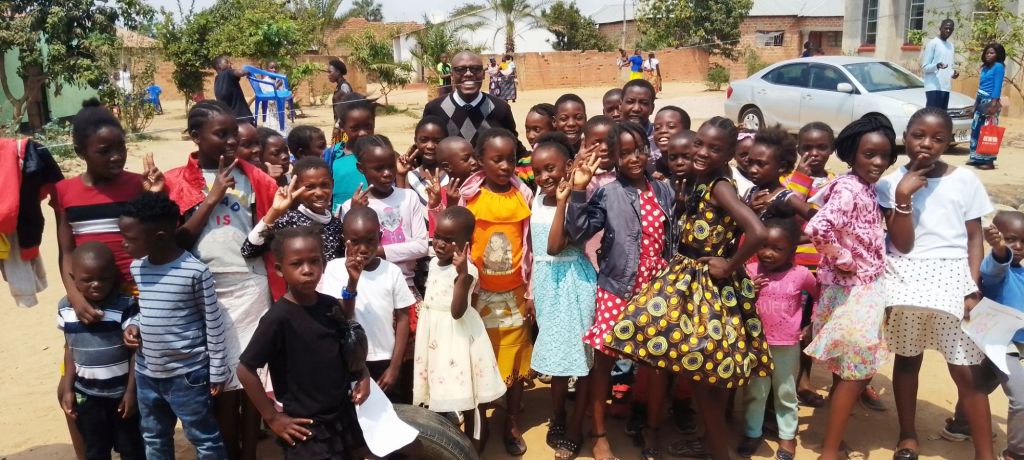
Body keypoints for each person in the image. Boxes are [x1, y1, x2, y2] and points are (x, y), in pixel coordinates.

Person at [602, 117, 771, 460]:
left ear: (729, 154)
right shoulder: (700, 181)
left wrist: (729, 264)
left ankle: (718, 453)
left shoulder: (720, 186)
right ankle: (708, 444)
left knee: (703, 376)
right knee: (699, 371)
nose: (702, 152)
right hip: (691, 279)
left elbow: (758, 232)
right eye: (699, 144)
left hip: (706, 285)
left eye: (714, 148)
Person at [877, 107, 996, 460]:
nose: (926, 144)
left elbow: (974, 238)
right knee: (907, 359)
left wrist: (973, 286)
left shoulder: (965, 180)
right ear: (905, 136)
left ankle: (985, 452)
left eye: (938, 138)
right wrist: (903, 196)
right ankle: (908, 435)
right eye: (918, 136)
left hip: (952, 278)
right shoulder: (890, 183)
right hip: (906, 277)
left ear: (949, 142)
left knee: (964, 368)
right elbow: (901, 244)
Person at [163, 100, 279, 458]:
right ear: (195, 136)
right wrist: (212, 198)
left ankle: (249, 452)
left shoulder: (254, 177)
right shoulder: (175, 182)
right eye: (221, 134)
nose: (232, 141)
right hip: (205, 290)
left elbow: (269, 225)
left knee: (251, 374)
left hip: (250, 284)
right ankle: (227, 449)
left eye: (234, 134)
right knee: (220, 382)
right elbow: (175, 242)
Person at [53, 102, 162, 459]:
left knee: (138, 377)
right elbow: (66, 250)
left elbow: (155, 234)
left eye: (121, 147)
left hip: (135, 295)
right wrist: (75, 296)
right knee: (75, 384)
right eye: (105, 151)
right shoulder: (64, 192)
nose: (116, 156)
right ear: (80, 152)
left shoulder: (137, 185)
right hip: (89, 297)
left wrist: (154, 197)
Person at [566, 122, 676, 460]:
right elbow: (578, 232)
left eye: (639, 150)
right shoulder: (608, 192)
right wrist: (577, 190)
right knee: (604, 362)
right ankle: (599, 435)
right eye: (625, 153)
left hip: (657, 291)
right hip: (617, 288)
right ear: (613, 157)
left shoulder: (664, 191)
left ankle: (652, 428)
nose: (634, 158)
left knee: (656, 363)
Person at [803, 114, 896, 460]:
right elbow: (818, 228)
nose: (877, 162)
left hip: (856, 289)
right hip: (854, 290)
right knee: (855, 372)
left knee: (848, 369)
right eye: (869, 155)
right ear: (852, 154)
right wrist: (844, 259)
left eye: (884, 155)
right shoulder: (849, 189)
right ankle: (830, 451)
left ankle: (834, 443)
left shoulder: (861, 186)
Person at [237, 226, 371, 459]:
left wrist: (363, 374)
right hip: (306, 429)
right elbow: (245, 369)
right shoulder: (278, 319)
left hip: (340, 418)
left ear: (323, 264)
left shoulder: (329, 305)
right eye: (297, 264)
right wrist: (272, 417)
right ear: (280, 270)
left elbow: (346, 337)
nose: (307, 270)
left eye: (314, 261)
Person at [119, 192, 228, 459]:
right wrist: (133, 325)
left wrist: (217, 370)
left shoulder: (194, 272)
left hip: (188, 375)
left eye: (130, 238)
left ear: (158, 237)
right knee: (154, 437)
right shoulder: (138, 268)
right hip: (147, 373)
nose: (123, 244)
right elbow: (144, 309)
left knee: (204, 438)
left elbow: (213, 321)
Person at [457, 127, 534, 456]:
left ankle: (511, 420)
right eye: (497, 159)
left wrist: (531, 292)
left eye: (511, 160)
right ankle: (481, 421)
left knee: (514, 358)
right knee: (479, 356)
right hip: (479, 295)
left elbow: (530, 247)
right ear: (480, 161)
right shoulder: (470, 197)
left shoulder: (523, 196)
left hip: (515, 293)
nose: (505, 166)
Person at [412, 206, 506, 453]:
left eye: (449, 240)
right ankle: (448, 442)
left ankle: (476, 442)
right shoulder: (433, 263)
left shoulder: (468, 271)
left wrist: (462, 275)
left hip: (459, 338)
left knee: (469, 394)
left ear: (466, 244)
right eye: (438, 236)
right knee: (443, 388)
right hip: (436, 339)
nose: (440, 244)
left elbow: (457, 311)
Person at [529, 133, 598, 459]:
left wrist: (562, 202)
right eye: (537, 171)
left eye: (550, 168)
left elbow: (555, 246)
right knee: (555, 358)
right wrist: (531, 289)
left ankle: (574, 428)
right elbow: (536, 251)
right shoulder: (535, 199)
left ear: (568, 167)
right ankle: (557, 415)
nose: (543, 177)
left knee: (582, 359)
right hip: (546, 284)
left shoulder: (577, 203)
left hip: (573, 282)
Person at [318, 207, 415, 403]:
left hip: (384, 358)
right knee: (352, 412)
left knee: (388, 411)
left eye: (370, 240)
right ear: (344, 240)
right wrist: (352, 282)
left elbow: (403, 319)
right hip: (348, 358)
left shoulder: (392, 272)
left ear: (380, 237)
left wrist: (395, 367)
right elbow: (342, 315)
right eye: (355, 242)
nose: (363, 248)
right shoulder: (335, 269)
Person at [58, 243, 145, 460]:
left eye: (103, 278)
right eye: (87, 280)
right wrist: (68, 389)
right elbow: (70, 349)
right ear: (73, 278)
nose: (96, 284)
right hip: (87, 396)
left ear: (114, 275)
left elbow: (135, 353)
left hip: (121, 395)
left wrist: (131, 392)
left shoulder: (125, 305)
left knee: (131, 448)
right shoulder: (65, 308)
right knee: (95, 450)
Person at [741, 218, 817, 459]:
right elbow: (736, 302)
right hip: (756, 343)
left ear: (792, 251)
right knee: (756, 391)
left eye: (777, 248)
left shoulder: (801, 275)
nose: (768, 253)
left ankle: (787, 436)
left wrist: (812, 323)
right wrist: (748, 291)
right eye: (764, 246)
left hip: (786, 345)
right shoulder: (750, 271)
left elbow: (819, 295)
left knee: (785, 392)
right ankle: (752, 433)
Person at [977, 211, 1024, 460]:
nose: (1018, 247)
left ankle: (960, 424)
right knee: (1022, 397)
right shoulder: (996, 268)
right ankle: (1016, 453)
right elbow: (996, 266)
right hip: (1000, 343)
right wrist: (998, 248)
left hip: (1015, 342)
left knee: (980, 385)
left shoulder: (1020, 273)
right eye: (1011, 239)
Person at [241, 157, 344, 261]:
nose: (319, 193)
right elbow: (248, 250)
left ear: (332, 184)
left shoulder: (336, 224)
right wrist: (275, 211)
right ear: (295, 188)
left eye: (325, 185)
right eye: (309, 187)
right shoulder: (288, 221)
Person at [423, 51, 522, 153]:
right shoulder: (435, 109)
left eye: (475, 69)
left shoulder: (500, 108)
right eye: (460, 69)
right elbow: (424, 151)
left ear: (483, 75)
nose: (468, 74)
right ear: (452, 75)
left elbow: (515, 149)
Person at [743, 125, 815, 222]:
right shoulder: (750, 192)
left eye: (760, 164)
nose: (753, 170)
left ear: (782, 167)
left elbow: (818, 218)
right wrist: (749, 210)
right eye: (750, 162)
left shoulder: (786, 198)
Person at [325, 92, 374, 211]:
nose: (362, 133)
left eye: (368, 126)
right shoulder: (332, 155)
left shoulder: (381, 154)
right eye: (355, 128)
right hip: (340, 219)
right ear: (342, 127)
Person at [967, 42, 1007, 170]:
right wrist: (975, 106)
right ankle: (977, 158)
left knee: (989, 131)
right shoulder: (984, 67)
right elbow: (980, 87)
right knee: (977, 130)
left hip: (991, 102)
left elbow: (997, 86)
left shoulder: (998, 67)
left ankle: (989, 162)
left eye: (992, 53)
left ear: (998, 55)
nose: (988, 55)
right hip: (981, 101)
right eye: (987, 53)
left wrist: (993, 104)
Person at [397, 115, 448, 205]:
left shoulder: (451, 175)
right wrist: (401, 175)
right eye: (424, 140)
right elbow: (403, 207)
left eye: (437, 141)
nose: (430, 146)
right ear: (416, 141)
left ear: (446, 141)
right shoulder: (411, 177)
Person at [921, 19, 959, 109]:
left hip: (945, 88)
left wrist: (953, 74)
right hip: (933, 88)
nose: (948, 31)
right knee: (933, 115)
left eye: (950, 29)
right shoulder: (933, 43)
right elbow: (925, 67)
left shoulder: (951, 46)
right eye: (946, 28)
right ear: (940, 28)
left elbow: (949, 67)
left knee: (942, 116)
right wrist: (937, 66)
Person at [519, 103, 557, 189]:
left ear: (554, 125)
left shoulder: (567, 158)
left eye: (537, 130)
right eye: (527, 130)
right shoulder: (525, 166)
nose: (530, 136)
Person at [212, 56, 253, 124]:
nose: (230, 64)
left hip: (230, 120)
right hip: (243, 118)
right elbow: (241, 72)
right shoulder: (228, 72)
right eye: (227, 62)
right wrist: (248, 71)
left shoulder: (217, 79)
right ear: (219, 66)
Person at [327, 58, 352, 145]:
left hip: (344, 127)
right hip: (340, 125)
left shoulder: (344, 87)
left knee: (340, 149)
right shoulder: (339, 86)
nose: (328, 75)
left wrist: (337, 126)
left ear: (338, 72)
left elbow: (346, 108)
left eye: (330, 72)